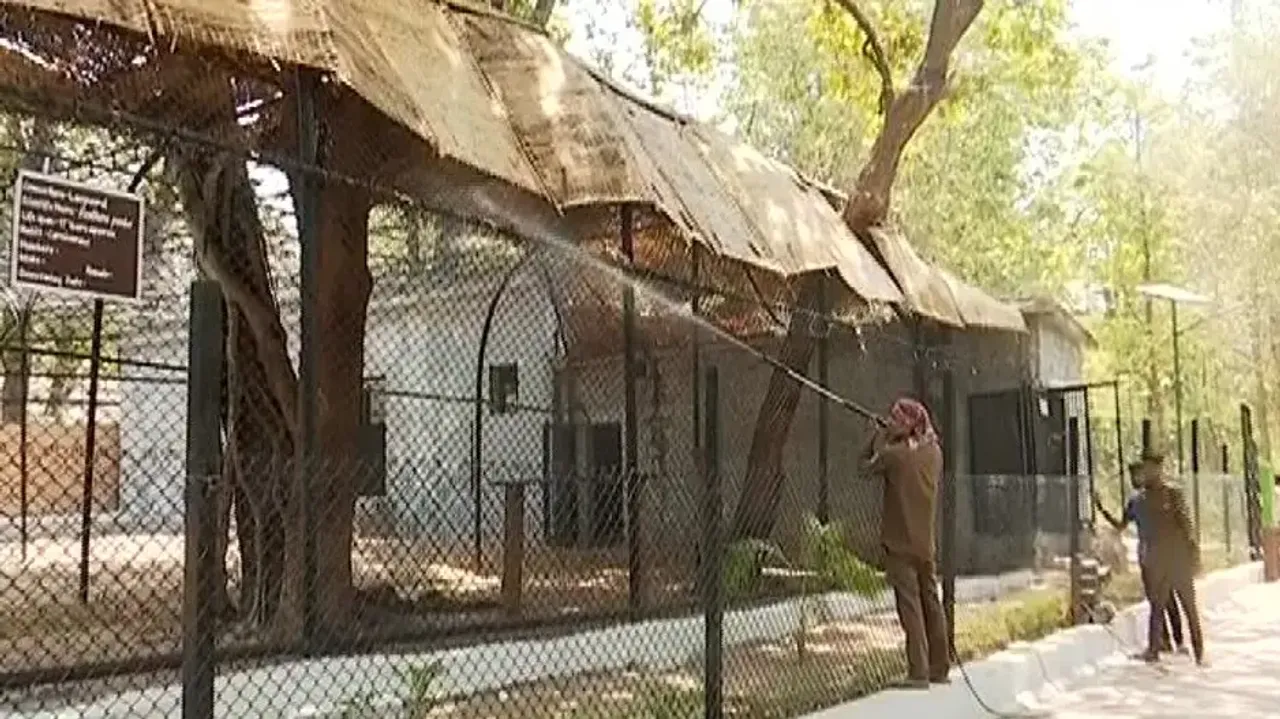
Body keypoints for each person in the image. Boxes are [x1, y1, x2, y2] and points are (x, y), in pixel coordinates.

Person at [862, 397, 949, 689]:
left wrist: (876, 436)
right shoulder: (934, 452)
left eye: (897, 419)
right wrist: (891, 436)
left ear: (909, 424)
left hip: (900, 544)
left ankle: (918, 672)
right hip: (926, 544)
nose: (891, 421)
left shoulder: (895, 456)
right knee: (931, 604)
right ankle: (940, 667)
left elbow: (863, 467)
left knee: (909, 607)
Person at [1093, 461, 1186, 655]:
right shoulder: (1135, 502)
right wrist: (1102, 509)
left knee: (1168, 599)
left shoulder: (1161, 497)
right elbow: (1121, 525)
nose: (1135, 480)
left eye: (1138, 475)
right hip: (1147, 556)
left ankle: (1175, 641)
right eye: (1133, 476)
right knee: (1157, 600)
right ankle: (1165, 640)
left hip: (1163, 554)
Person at [1138, 452, 1205, 665]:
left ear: (1159, 470)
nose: (1147, 473)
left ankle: (1199, 652)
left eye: (1151, 468)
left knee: (1190, 608)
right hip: (1157, 562)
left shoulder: (1173, 494)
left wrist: (1194, 555)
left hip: (1179, 561)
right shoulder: (1142, 499)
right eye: (1145, 469)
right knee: (1157, 608)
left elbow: (1187, 525)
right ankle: (1153, 649)